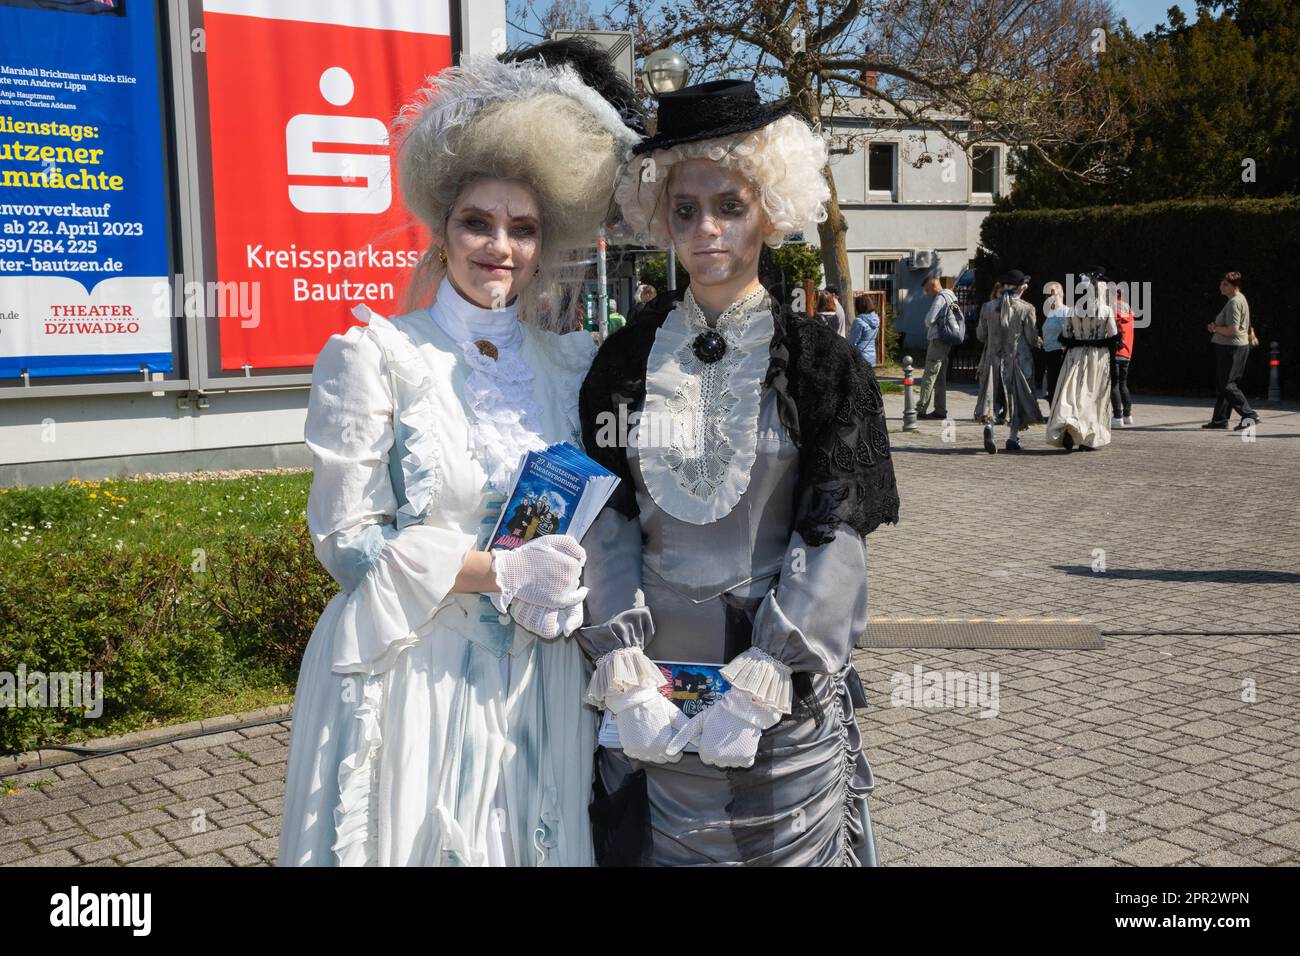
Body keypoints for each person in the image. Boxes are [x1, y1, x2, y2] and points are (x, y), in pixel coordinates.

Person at [277, 41, 643, 867]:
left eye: (522, 228)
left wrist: (579, 585)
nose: (499, 247)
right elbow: (348, 541)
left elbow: (602, 514)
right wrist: (500, 574)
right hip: (415, 676)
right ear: (443, 228)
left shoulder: (571, 364)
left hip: (541, 686)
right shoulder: (375, 355)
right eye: (478, 222)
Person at [579, 78, 900, 866]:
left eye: (729, 204)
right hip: (649, 703)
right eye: (685, 210)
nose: (706, 230)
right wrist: (621, 665)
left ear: (770, 205)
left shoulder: (821, 363)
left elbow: (837, 530)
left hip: (775, 715)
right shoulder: (623, 359)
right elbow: (603, 518)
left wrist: (771, 668)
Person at [1046, 269, 1119, 451]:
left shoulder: (1072, 310)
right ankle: (1089, 438)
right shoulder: (1106, 310)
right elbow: (1113, 335)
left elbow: (1065, 334)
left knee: (1073, 394)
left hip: (1075, 356)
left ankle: (1070, 428)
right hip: (1098, 357)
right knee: (1093, 397)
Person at [975, 269, 1044, 452]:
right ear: (1020, 287)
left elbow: (981, 335)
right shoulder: (1026, 308)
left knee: (995, 396)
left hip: (992, 361)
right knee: (1015, 399)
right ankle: (1012, 438)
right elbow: (1030, 337)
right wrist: (1039, 342)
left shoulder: (988, 307)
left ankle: (989, 426)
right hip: (1017, 361)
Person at [1204, 271, 1259, 430]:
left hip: (1232, 347)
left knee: (1228, 385)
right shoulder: (1239, 299)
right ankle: (1220, 420)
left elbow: (1232, 330)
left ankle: (1249, 415)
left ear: (1235, 287)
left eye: (1225, 284)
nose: (1221, 286)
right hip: (1235, 346)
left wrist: (1215, 328)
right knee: (1224, 384)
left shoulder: (1234, 302)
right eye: (1221, 283)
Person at [916, 275, 957, 420]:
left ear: (934, 286)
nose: (927, 294)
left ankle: (921, 408)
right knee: (940, 377)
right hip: (947, 341)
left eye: (927, 290)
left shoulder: (940, 298)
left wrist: (928, 319)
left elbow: (929, 320)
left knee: (929, 374)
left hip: (937, 340)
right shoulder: (951, 296)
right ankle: (940, 410)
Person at [1041, 280, 1070, 401]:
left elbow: (1068, 333)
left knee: (1057, 385)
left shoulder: (1065, 311)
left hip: (1060, 353)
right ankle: (1053, 413)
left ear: (1061, 294)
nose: (1049, 297)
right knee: (1050, 386)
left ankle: (1058, 414)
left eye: (1053, 294)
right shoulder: (1050, 312)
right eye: (1047, 295)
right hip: (1049, 352)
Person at [1111, 287, 1135, 427]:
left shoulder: (1111, 311)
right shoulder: (1129, 313)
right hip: (1127, 353)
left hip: (1115, 352)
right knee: (1123, 384)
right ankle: (1127, 415)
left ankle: (1117, 416)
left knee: (1114, 385)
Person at [849, 291, 881, 367]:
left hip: (860, 356)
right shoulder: (876, 318)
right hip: (872, 355)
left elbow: (852, 342)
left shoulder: (858, 321)